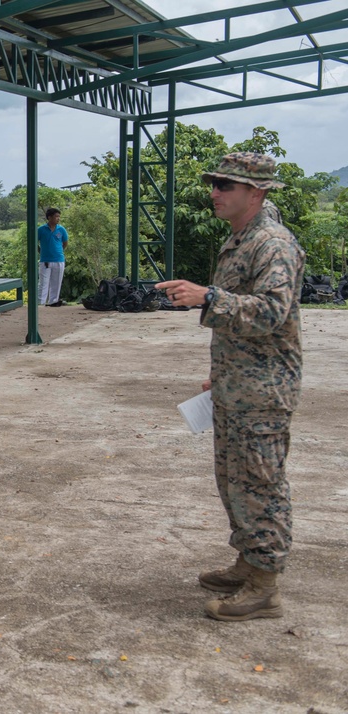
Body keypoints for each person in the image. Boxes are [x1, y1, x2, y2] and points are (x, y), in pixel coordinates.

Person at [156, 152, 304, 623]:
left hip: (263, 391)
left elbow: (270, 312)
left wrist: (208, 296)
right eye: (214, 183)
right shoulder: (240, 239)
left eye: (225, 185)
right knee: (235, 481)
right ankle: (249, 561)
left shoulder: (272, 244)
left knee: (260, 483)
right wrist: (220, 374)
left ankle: (265, 585)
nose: (214, 192)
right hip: (239, 384)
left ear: (255, 193)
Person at [37, 208, 68, 307]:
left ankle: (53, 302)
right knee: (43, 283)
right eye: (56, 216)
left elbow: (65, 243)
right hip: (45, 260)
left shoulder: (61, 229)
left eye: (59, 216)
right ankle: (40, 304)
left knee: (56, 283)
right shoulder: (41, 230)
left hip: (59, 260)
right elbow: (34, 242)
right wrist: (41, 251)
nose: (58, 218)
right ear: (49, 217)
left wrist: (59, 252)